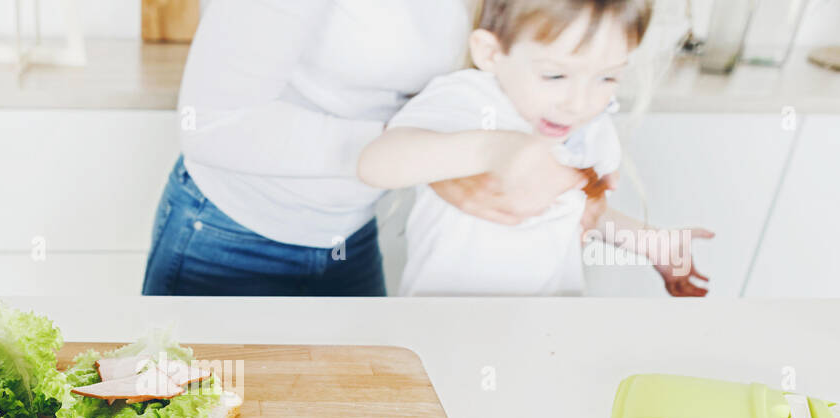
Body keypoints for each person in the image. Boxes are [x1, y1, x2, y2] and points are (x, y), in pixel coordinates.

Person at [141, 0, 599, 298]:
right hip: (233, 238)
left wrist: (576, 172)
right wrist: (428, 154)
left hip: (351, 237)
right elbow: (212, 124)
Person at [359, 0, 713, 297]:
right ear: (491, 53)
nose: (579, 102)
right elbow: (377, 164)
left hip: (545, 324)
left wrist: (650, 241)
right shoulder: (469, 99)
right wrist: (496, 150)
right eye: (555, 76)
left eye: (607, 77)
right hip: (449, 324)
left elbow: (571, 209)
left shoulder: (589, 127)